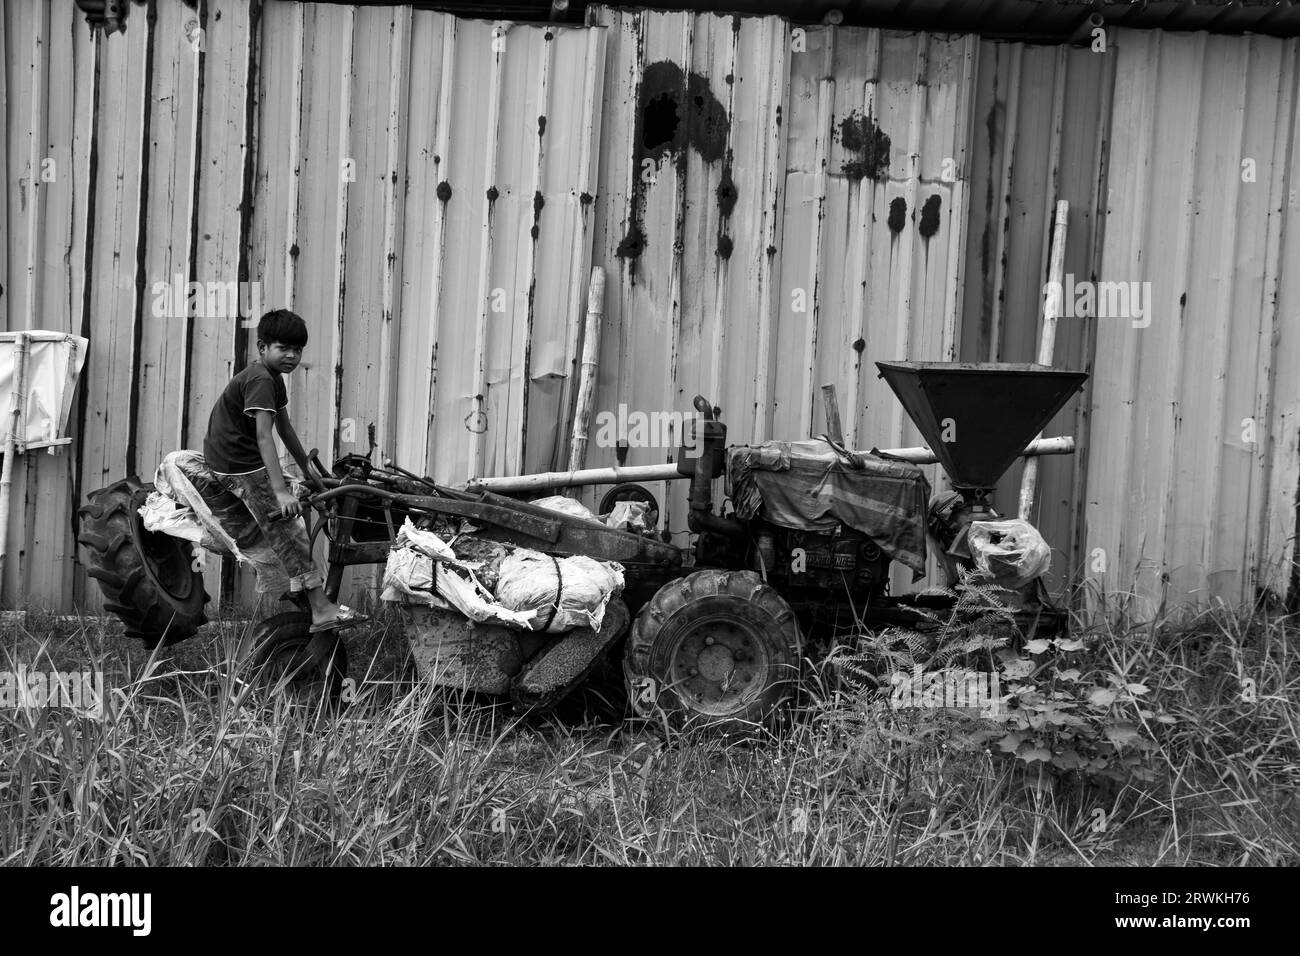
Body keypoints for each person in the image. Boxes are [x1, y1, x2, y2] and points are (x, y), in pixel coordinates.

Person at [201, 309, 365, 633]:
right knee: (287, 528)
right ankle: (320, 609)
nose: (291, 355)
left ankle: (301, 590)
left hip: (241, 458)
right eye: (283, 348)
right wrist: (278, 491)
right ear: (262, 347)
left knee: (301, 499)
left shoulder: (271, 377)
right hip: (239, 466)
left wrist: (308, 469)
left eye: (298, 350)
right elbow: (264, 436)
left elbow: (285, 428)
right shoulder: (262, 379)